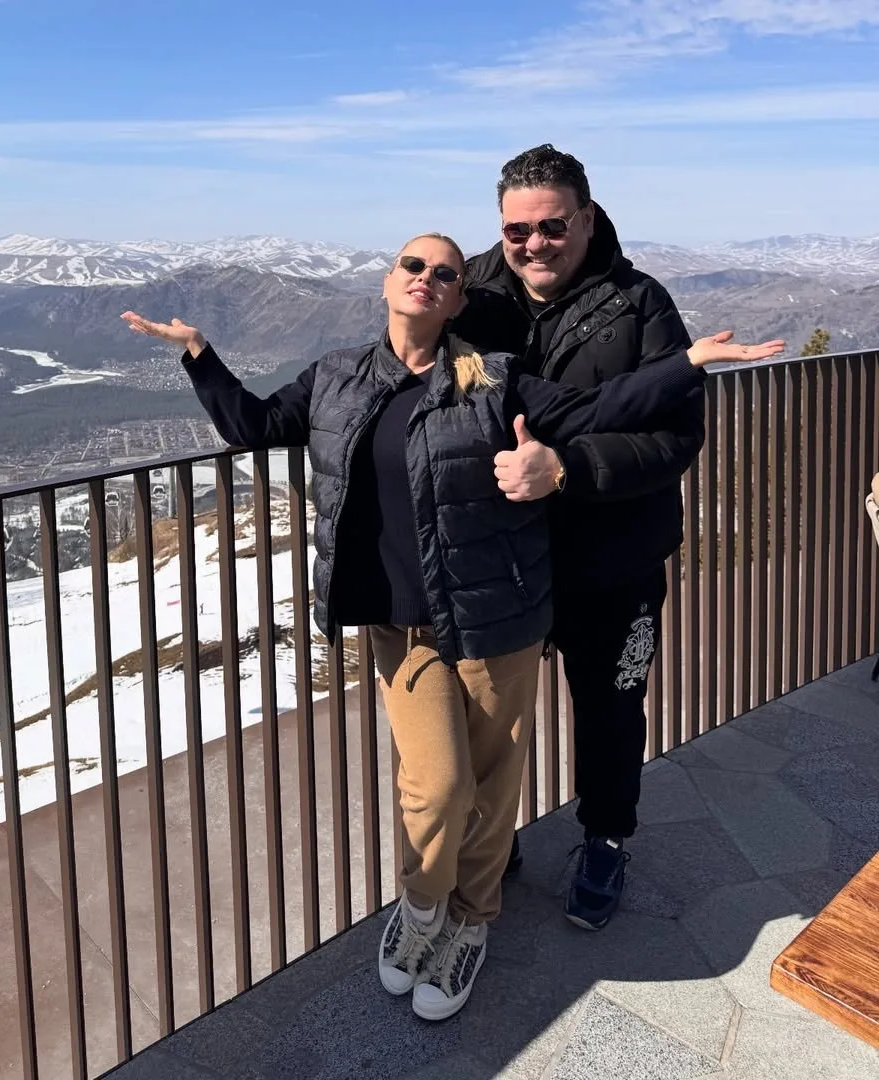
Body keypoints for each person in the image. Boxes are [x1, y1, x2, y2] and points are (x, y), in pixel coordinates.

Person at [121, 233, 781, 1020]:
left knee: (493, 784)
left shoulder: (494, 380)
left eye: (445, 274)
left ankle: (470, 921)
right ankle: (422, 903)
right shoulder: (335, 377)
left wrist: (688, 363)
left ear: (459, 299)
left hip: (498, 617)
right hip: (402, 627)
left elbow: (598, 410)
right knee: (436, 785)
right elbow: (255, 425)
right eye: (414, 266)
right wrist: (199, 354)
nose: (427, 279)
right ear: (387, 281)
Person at [456, 143, 713, 931]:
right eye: (517, 230)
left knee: (611, 708)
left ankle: (605, 837)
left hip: (615, 559)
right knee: (487, 714)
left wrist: (566, 469)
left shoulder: (640, 303)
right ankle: (493, 839)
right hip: (502, 555)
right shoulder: (469, 293)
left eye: (552, 226)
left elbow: (676, 437)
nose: (534, 244)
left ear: (587, 217)